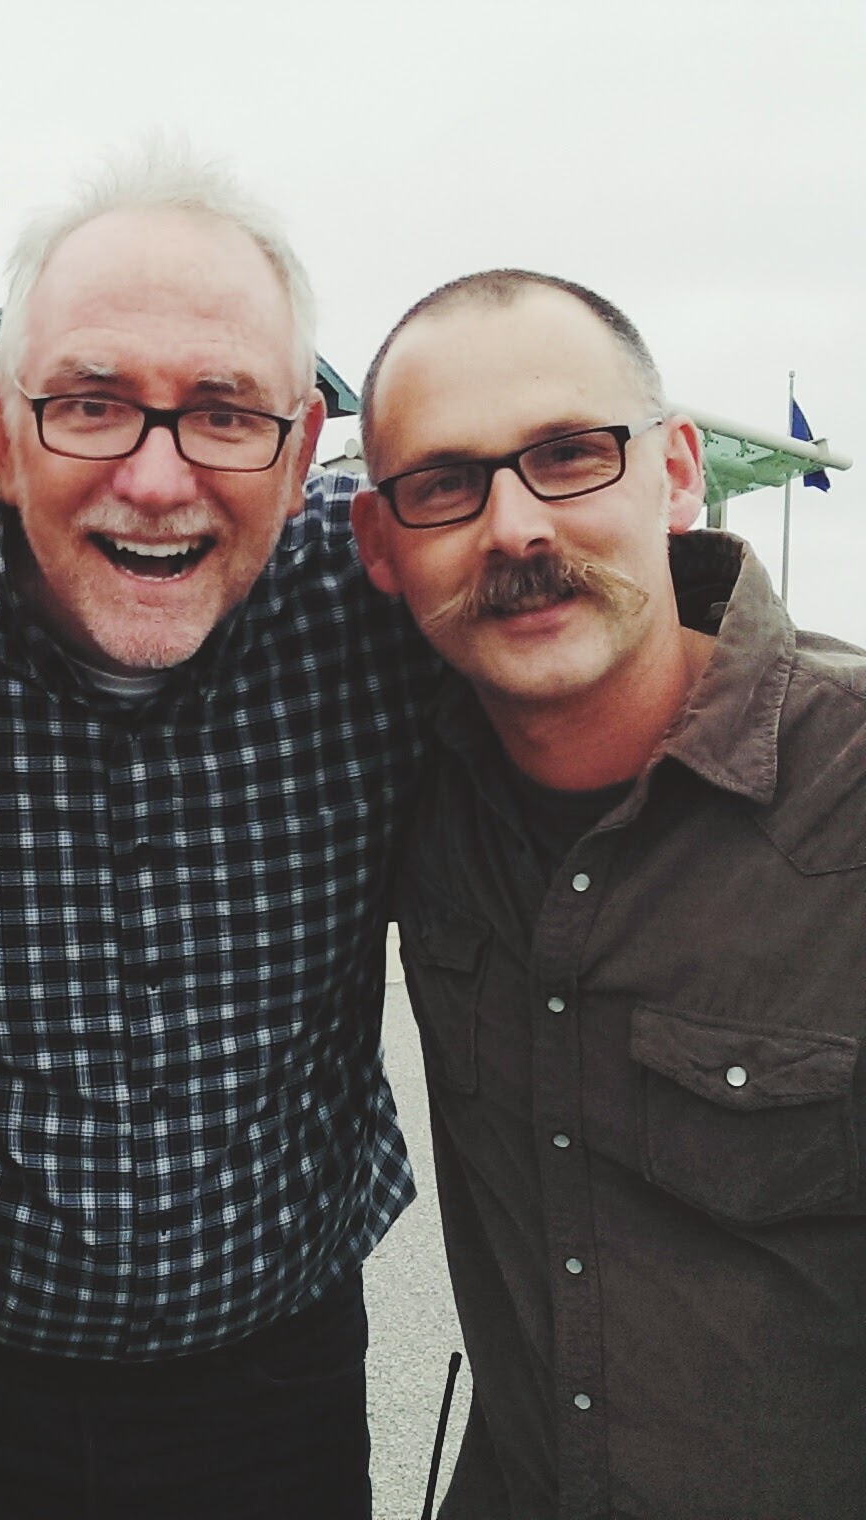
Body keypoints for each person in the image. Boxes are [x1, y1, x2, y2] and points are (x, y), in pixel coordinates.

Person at [0, 151, 438, 1518]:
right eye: (91, 404)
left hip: (276, 1393)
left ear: (305, 445)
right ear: (0, 430)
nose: (156, 479)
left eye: (224, 413)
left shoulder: (385, 614)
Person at [350, 269, 866, 1518]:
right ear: (378, 544)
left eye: (569, 454)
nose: (514, 527)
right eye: (444, 482)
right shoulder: (401, 781)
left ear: (675, 472)